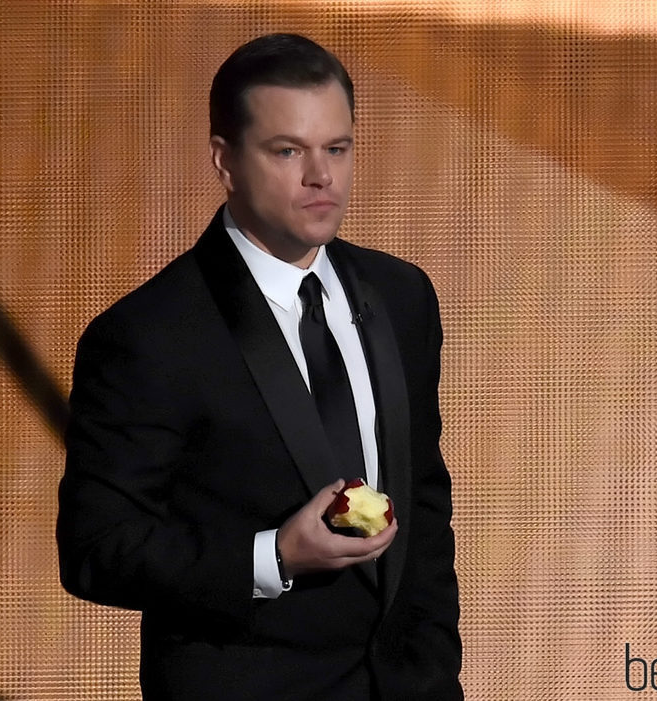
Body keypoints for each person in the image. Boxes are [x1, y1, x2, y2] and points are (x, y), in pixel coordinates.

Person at [57, 33, 462, 700]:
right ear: (224, 160)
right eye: (287, 151)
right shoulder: (148, 335)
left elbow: (422, 501)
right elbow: (98, 549)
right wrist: (274, 556)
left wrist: (435, 674)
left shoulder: (401, 296)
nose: (320, 177)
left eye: (338, 148)